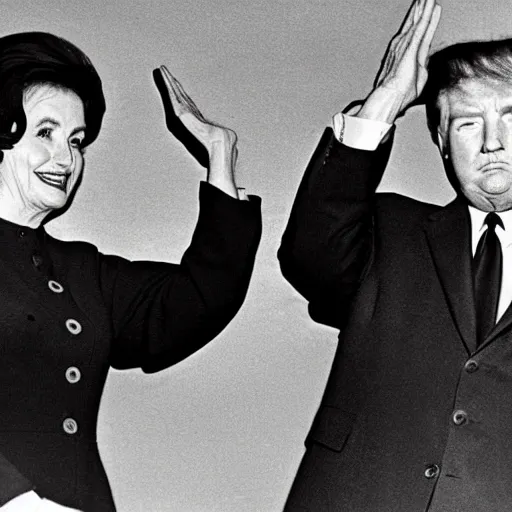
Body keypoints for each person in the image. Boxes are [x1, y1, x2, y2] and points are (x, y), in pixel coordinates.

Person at [0, 32, 261, 512]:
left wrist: (219, 157)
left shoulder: (81, 272)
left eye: (76, 142)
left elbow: (200, 299)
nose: (66, 159)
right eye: (45, 133)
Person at [279, 0, 512, 510]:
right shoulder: (390, 231)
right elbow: (308, 259)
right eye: (468, 123)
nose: (494, 141)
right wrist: (383, 102)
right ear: (441, 142)